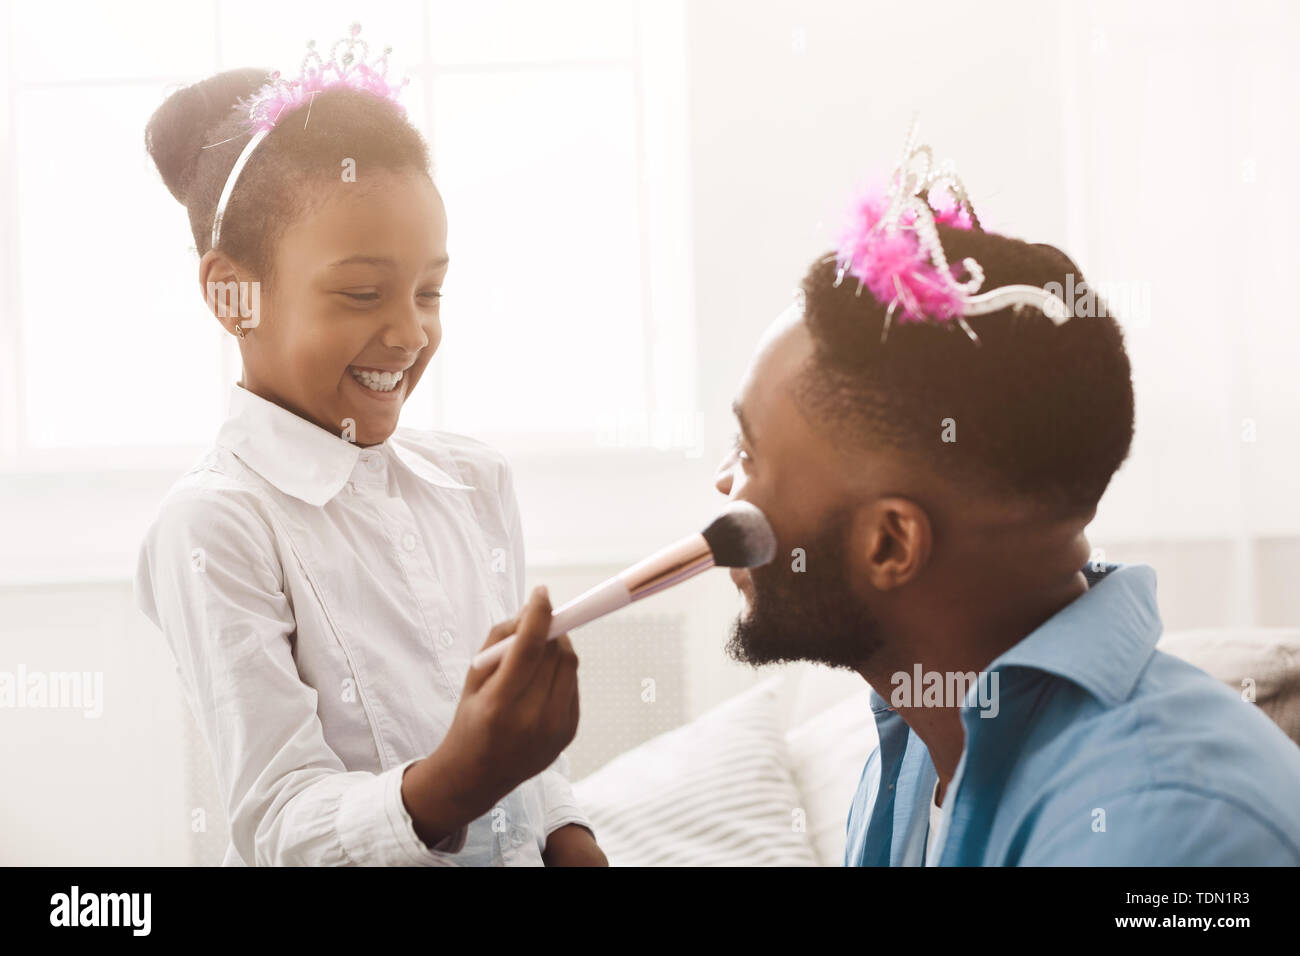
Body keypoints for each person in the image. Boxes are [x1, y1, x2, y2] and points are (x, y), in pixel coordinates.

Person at [712, 133, 1300, 865]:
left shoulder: (1168, 828)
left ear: (890, 544)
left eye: (748, 453)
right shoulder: (918, 753)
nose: (723, 486)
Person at [134, 27, 605, 866]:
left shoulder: (474, 482)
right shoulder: (216, 527)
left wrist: (569, 833)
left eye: (431, 291)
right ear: (233, 292)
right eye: (361, 292)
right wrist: (461, 775)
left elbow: (535, 771)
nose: (410, 331)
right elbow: (285, 821)